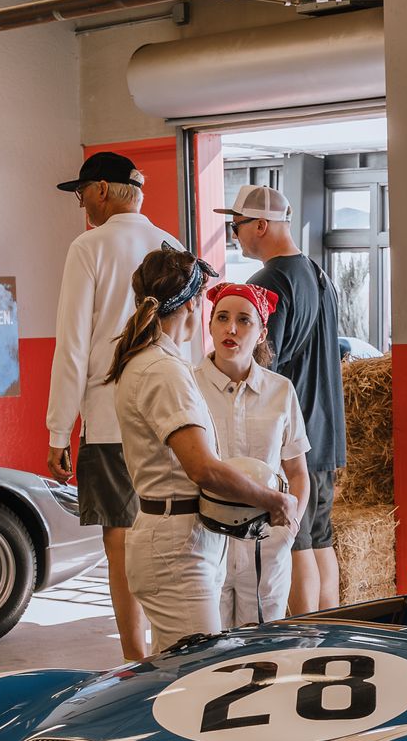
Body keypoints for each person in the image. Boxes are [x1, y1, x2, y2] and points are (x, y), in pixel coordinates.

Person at [106, 247, 298, 648]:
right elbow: (203, 468)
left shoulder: (154, 361)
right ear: (195, 306)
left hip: (184, 538)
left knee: (180, 671)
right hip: (177, 547)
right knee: (197, 678)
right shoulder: (164, 369)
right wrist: (273, 500)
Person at [48, 150, 180, 662]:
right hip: (173, 416)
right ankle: (174, 644)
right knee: (171, 528)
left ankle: (134, 658)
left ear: (101, 189)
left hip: (108, 419)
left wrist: (59, 430)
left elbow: (72, 345)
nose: (80, 202)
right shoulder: (174, 245)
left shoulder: (88, 247)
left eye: (80, 192)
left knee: (121, 538)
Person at [222, 184, 345, 615]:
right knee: (320, 538)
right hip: (325, 431)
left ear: (261, 225)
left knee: (296, 543)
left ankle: (305, 639)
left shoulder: (268, 284)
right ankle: (331, 633)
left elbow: (257, 368)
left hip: (293, 437)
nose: (233, 234)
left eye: (235, 225)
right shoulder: (317, 273)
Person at [198, 278, 311, 627]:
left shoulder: (280, 391)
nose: (231, 328)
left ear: (261, 333)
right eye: (222, 317)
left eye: (244, 320)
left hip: (266, 543)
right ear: (211, 324)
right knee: (207, 649)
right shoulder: (189, 386)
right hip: (206, 541)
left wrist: (288, 530)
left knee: (261, 652)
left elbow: (297, 471)